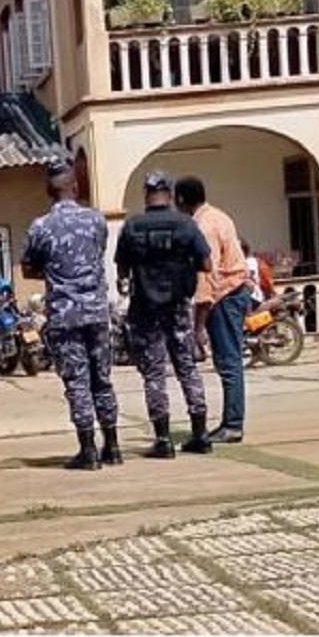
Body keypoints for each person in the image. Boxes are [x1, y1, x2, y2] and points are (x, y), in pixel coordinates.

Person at [22, 157, 121, 470]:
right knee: (102, 379)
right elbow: (98, 253)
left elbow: (27, 268)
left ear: (48, 191)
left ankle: (88, 450)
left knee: (77, 382)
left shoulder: (41, 227)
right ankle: (114, 447)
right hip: (96, 311)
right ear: (75, 186)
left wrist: (54, 273)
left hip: (65, 315)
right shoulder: (95, 220)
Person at [114, 171, 214, 458]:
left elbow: (121, 267)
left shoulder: (132, 226)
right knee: (187, 368)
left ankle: (163, 440)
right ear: (169, 194)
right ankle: (201, 434)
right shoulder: (186, 224)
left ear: (146, 194)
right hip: (179, 307)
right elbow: (207, 264)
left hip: (145, 309)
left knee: (154, 373)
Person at [174, 176, 252, 444]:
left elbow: (207, 276)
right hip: (235, 291)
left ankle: (232, 424)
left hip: (226, 296)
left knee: (228, 362)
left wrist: (199, 326)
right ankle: (231, 421)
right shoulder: (219, 216)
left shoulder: (203, 227)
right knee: (229, 361)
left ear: (181, 200)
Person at [241, 239, 276, 309]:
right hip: (256, 299)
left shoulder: (249, 263)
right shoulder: (256, 262)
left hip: (252, 301)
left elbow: (267, 284)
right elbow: (268, 284)